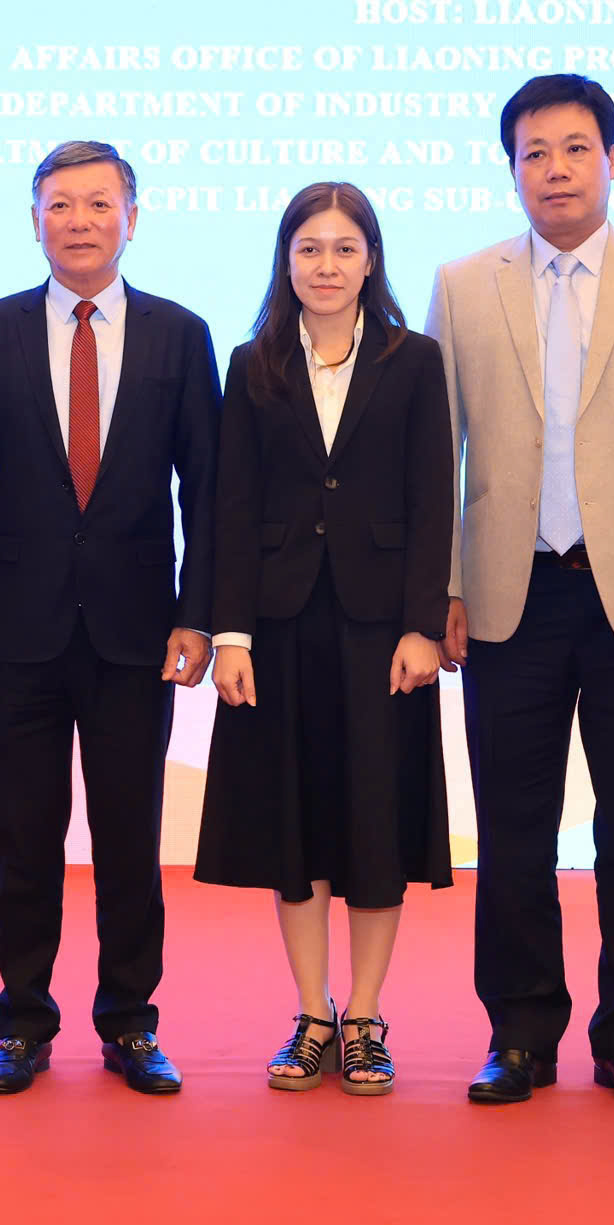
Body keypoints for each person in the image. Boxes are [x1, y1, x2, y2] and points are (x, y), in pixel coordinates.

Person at [425, 73, 614, 1112]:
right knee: (514, 830)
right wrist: (445, 585)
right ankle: (518, 1034)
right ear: (510, 166)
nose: (552, 169)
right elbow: (440, 452)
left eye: (572, 148)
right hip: (508, 596)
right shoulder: (464, 284)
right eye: (531, 152)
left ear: (612, 157)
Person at [0, 139, 220, 1097]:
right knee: (20, 838)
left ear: (132, 218)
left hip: (140, 633)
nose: (81, 221)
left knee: (132, 838)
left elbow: (206, 492)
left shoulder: (182, 336)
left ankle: (131, 1023)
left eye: (100, 204)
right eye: (61, 205)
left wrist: (199, 616)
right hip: (14, 629)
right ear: (34, 220)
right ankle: (23, 1022)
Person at [196, 182, 456, 1097]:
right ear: (287, 260)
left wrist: (425, 623)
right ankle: (312, 1014)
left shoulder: (414, 359)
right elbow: (229, 507)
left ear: (372, 259)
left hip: (383, 627)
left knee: (376, 825)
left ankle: (368, 1016)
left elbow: (435, 499)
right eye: (310, 249)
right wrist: (231, 633)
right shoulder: (253, 361)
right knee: (294, 827)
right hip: (278, 623)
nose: (327, 266)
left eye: (345, 249)